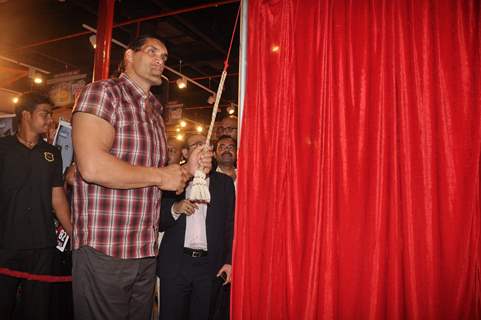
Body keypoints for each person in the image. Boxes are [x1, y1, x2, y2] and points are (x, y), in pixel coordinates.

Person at [71, 35, 212, 320]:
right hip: (106, 246)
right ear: (128, 56)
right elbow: (93, 167)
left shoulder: (155, 112)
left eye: (165, 56)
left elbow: (157, 180)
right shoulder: (103, 93)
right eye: (152, 51)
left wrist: (188, 168)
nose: (160, 59)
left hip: (144, 250)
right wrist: (162, 176)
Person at [0, 92, 72, 320]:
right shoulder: (3, 148)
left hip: (42, 246)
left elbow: (57, 198)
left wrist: (76, 235)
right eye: (44, 114)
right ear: (26, 115)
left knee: (38, 310)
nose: (49, 119)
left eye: (50, 115)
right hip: (5, 244)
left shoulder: (52, 153)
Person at [157, 133, 235, 320]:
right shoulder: (172, 178)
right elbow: (155, 220)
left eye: (206, 146)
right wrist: (175, 208)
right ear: (185, 153)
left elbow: (230, 225)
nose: (202, 149)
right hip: (176, 264)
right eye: (196, 145)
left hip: (209, 268)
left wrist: (229, 260)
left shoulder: (224, 183)